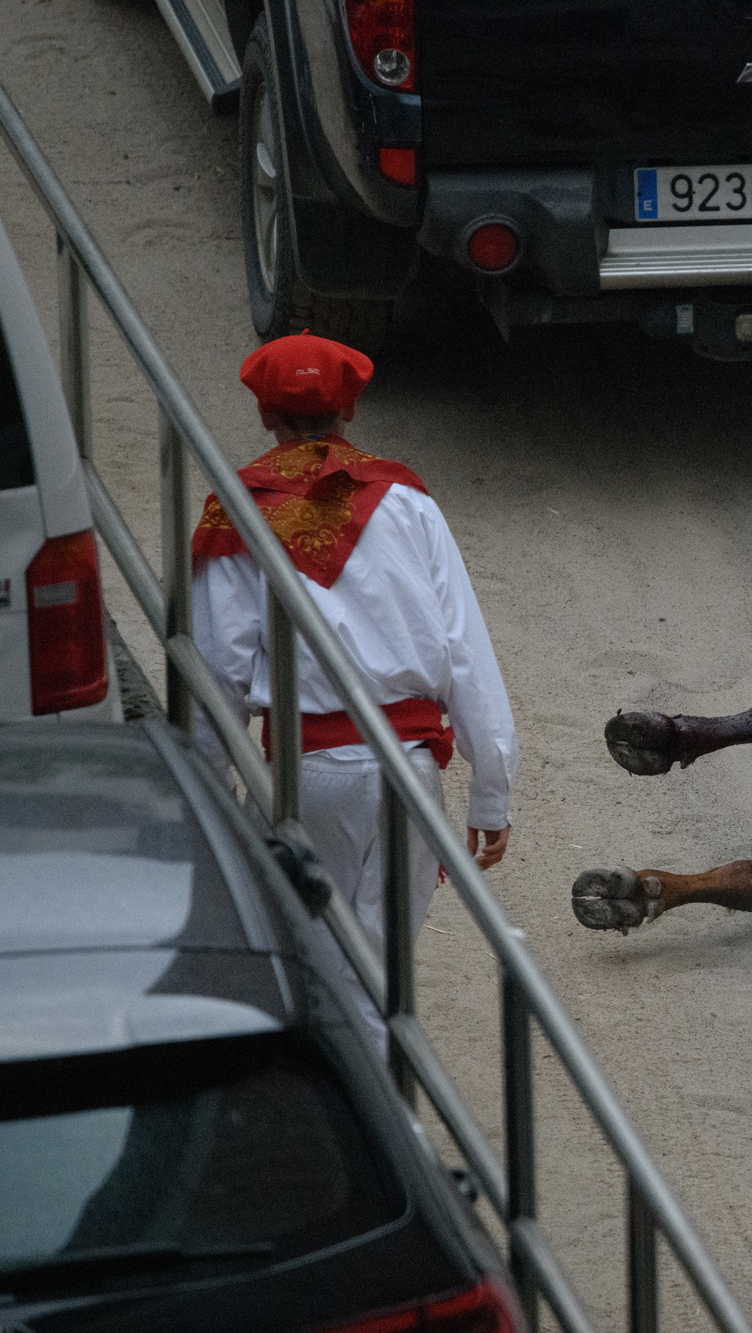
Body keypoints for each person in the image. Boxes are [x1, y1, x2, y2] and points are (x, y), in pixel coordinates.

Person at [191, 332, 517, 1047]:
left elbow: (216, 671)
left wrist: (206, 795)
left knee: (309, 962)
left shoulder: (236, 511)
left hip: (308, 776)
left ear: (263, 413)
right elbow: (465, 649)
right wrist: (491, 786)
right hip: (412, 771)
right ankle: (387, 1126)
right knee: (382, 978)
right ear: (351, 411)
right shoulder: (410, 503)